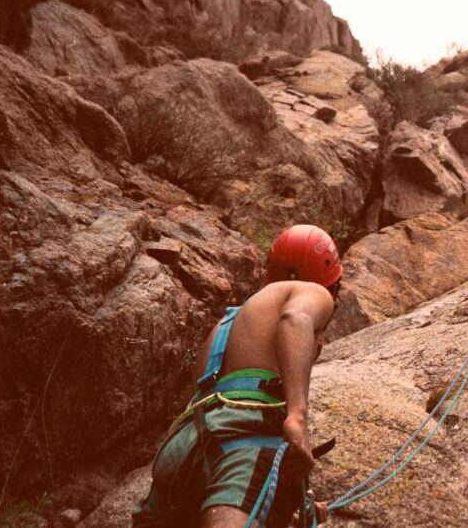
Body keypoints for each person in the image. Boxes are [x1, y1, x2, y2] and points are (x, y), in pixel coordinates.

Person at [133, 225, 343, 528]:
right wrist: (297, 415)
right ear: (331, 285)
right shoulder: (312, 292)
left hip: (182, 451)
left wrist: (286, 500)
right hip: (241, 442)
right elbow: (295, 319)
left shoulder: (228, 323)